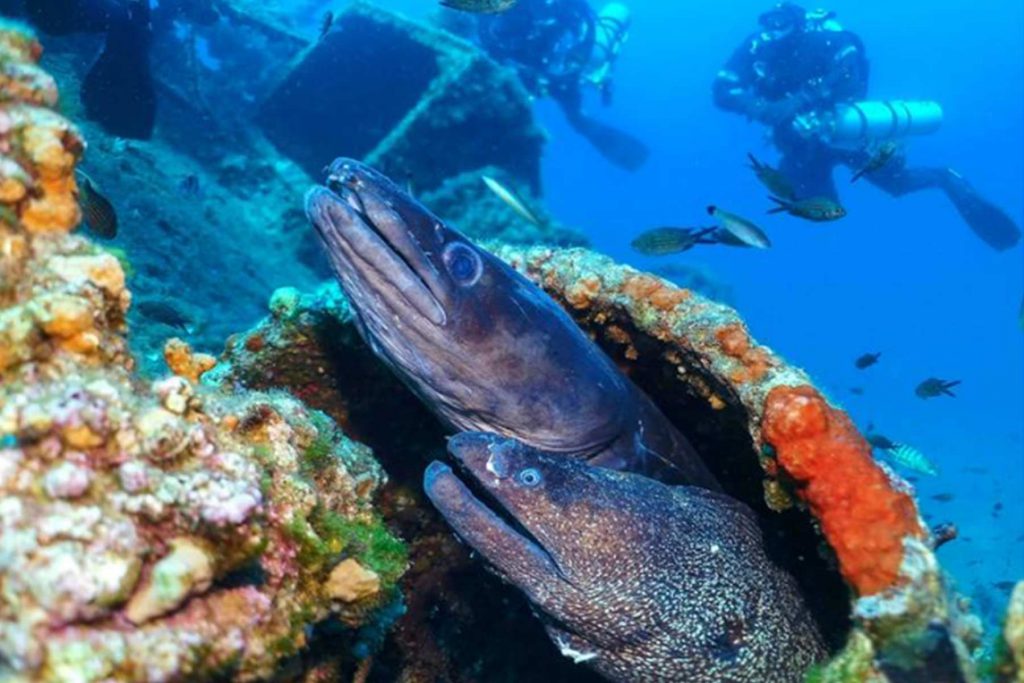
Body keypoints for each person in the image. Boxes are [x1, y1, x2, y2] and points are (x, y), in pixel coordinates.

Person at [712, 2, 1020, 251]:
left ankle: (945, 179)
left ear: (799, 21)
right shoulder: (756, 49)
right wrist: (763, 109)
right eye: (770, 22)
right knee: (813, 206)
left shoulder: (826, 41)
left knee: (896, 184)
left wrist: (805, 99)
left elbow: (851, 78)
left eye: (784, 21)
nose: (776, 30)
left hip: (847, 134)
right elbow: (721, 90)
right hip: (799, 145)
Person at [475, 0, 650, 171]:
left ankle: (585, 124)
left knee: (575, 115)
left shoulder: (554, 9)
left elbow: (581, 34)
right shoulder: (489, 17)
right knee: (574, 116)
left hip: (556, 71)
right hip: (537, 69)